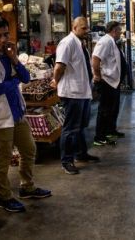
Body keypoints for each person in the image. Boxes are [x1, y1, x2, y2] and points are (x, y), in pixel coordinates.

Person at [0, 16, 51, 213]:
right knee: (2, 159)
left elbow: (25, 77)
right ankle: (4, 197)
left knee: (29, 149)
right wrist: (15, 78)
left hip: (16, 112)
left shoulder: (9, 54)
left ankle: (27, 186)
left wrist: (15, 59)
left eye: (6, 34)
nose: (3, 39)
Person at [51, 17, 100, 175]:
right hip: (72, 93)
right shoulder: (68, 43)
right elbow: (59, 66)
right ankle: (67, 161)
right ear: (74, 27)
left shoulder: (80, 43)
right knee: (71, 128)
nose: (86, 31)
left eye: (87, 28)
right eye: (83, 28)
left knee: (81, 126)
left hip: (82, 92)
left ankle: (81, 154)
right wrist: (55, 81)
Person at [92, 21, 127, 146]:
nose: (120, 33)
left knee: (113, 109)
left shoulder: (112, 42)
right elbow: (95, 59)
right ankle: (99, 136)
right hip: (106, 81)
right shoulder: (105, 41)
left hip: (113, 82)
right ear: (113, 31)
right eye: (119, 30)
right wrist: (97, 75)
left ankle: (110, 131)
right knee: (105, 110)